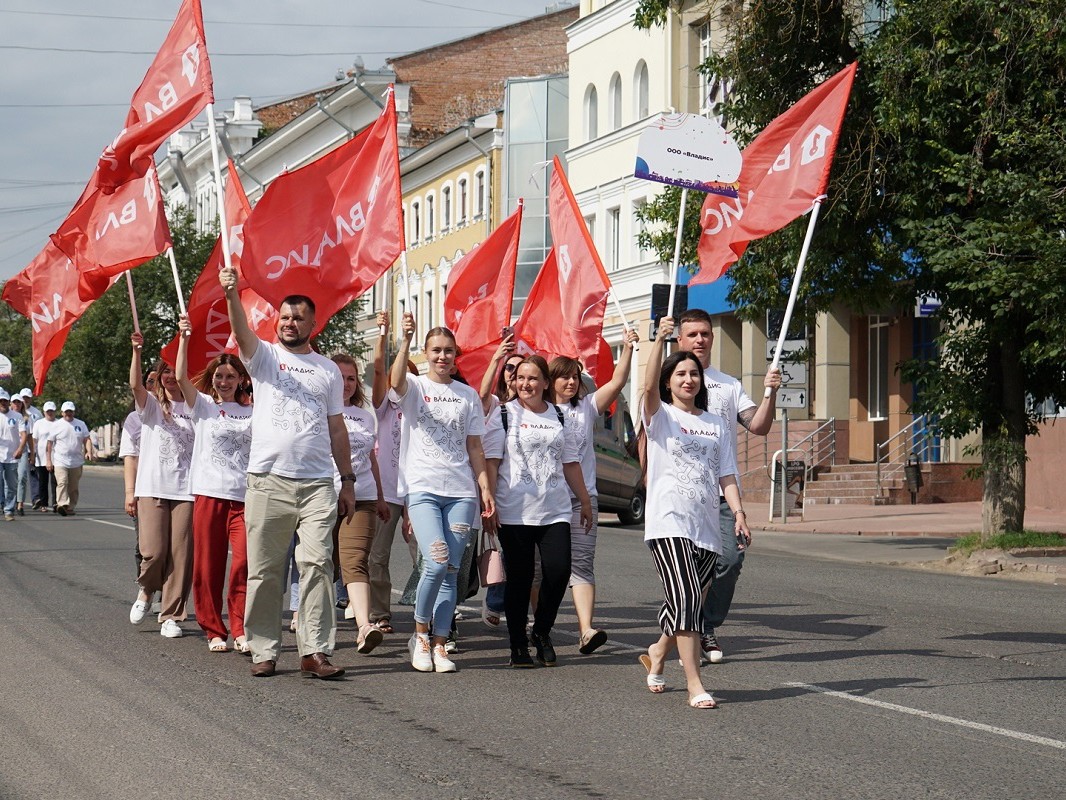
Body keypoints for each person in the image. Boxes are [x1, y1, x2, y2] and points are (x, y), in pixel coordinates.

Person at [220, 265, 354, 680]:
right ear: (276, 322)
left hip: (317, 483)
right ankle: (263, 647)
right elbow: (242, 334)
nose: (290, 323)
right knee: (265, 567)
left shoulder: (327, 369)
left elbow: (336, 427)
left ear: (313, 324)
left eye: (298, 318)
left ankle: (314, 651)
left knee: (317, 564)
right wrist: (231, 294)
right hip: (268, 479)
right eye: (284, 317)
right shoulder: (264, 357)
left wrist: (347, 479)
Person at [639, 317, 750, 709]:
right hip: (668, 522)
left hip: (705, 526)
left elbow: (726, 474)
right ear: (670, 381)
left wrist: (738, 513)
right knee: (687, 601)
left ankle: (657, 651)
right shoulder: (661, 416)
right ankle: (694, 684)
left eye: (694, 374)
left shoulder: (715, 424)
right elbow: (648, 386)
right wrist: (658, 342)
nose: (689, 379)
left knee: (686, 603)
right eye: (681, 373)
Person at [390, 312, 494, 673]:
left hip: (461, 492)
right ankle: (419, 634)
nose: (442, 357)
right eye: (435, 350)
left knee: (452, 570)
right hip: (423, 489)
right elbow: (395, 380)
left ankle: (440, 642)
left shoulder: (466, 395)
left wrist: (484, 487)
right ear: (425, 352)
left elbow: (475, 447)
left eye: (449, 351)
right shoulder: (416, 388)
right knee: (434, 562)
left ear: (455, 354)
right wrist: (404, 339)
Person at [675, 308, 780, 663]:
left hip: (719, 492)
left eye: (705, 334)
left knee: (730, 560)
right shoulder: (669, 383)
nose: (700, 340)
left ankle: (705, 625)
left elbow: (759, 426)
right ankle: (680, 629)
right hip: (680, 493)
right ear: (680, 339)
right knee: (687, 570)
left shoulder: (728, 385)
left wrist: (769, 394)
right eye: (692, 334)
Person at [485, 354, 593, 668]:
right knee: (519, 579)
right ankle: (518, 645)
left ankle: (542, 631)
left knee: (559, 573)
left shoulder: (559, 415)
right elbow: (492, 461)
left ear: (545, 383)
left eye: (533, 378)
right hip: (514, 510)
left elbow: (570, 462)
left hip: (555, 509)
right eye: (520, 378)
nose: (526, 384)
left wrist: (584, 500)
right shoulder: (504, 414)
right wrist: (488, 499)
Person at [547, 327, 639, 653]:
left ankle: (586, 630)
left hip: (584, 498)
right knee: (543, 567)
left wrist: (627, 348)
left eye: (575, 377)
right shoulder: (538, 412)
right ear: (551, 381)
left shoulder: (586, 407)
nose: (572, 382)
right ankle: (538, 624)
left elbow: (616, 383)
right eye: (565, 377)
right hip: (544, 501)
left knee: (582, 564)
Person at [175, 314, 254, 654]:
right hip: (210, 492)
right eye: (219, 376)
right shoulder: (205, 406)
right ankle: (213, 629)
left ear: (240, 380)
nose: (224, 381)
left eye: (230, 376)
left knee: (245, 562)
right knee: (208, 565)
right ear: (213, 379)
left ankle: (239, 626)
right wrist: (183, 338)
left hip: (246, 496)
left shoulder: (254, 410)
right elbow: (179, 376)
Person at [127, 338, 195, 640]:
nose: (168, 376)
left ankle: (171, 616)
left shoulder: (196, 405)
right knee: (153, 552)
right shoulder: (152, 406)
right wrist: (137, 352)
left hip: (186, 491)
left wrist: (187, 339)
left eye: (172, 371)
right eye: (163, 371)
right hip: (152, 487)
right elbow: (135, 386)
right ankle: (146, 590)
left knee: (180, 556)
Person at [330, 352, 390, 654]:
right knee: (321, 563)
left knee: (355, 560)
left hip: (362, 496)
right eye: (339, 377)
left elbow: (371, 457)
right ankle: (311, 619)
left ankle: (365, 626)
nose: (346, 383)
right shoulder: (318, 409)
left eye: (351, 378)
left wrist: (380, 496)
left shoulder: (366, 416)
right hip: (323, 495)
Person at [477, 338, 525, 627]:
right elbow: (482, 395)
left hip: (517, 487)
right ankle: (452, 610)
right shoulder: (494, 404)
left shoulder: (532, 407)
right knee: (479, 546)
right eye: (509, 368)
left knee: (508, 547)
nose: (513, 373)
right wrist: (496, 358)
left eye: (519, 369)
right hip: (484, 479)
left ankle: (497, 599)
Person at [45, 401, 92, 516]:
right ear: (62, 413)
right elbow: (49, 444)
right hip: (60, 460)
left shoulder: (80, 424)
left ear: (74, 412)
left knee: (73, 486)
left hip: (76, 461)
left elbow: (87, 439)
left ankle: (70, 506)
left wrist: (89, 452)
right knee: (62, 482)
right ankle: (62, 504)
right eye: (66, 412)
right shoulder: (56, 425)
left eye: (70, 411)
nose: (68, 414)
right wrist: (48, 460)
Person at [31, 401, 58, 511]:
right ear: (44, 412)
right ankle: (43, 504)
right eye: (48, 411)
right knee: (43, 482)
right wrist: (32, 454)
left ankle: (56, 503)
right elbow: (34, 440)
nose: (50, 413)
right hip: (41, 457)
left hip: (55, 457)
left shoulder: (59, 423)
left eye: (51, 411)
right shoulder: (39, 423)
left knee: (55, 481)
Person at [0, 390, 22, 520]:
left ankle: (8, 510)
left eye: (5, 401)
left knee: (11, 485)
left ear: (9, 402)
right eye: (1, 401)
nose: (3, 403)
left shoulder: (17, 416)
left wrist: (20, 449)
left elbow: (24, 434)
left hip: (12, 456)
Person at [11, 394, 32, 516]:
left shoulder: (27, 418)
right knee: (8, 478)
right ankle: (9, 501)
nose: (17, 404)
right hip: (9, 451)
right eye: (14, 402)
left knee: (22, 476)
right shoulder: (5, 416)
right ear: (11, 404)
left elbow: (29, 438)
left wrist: (32, 454)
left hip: (23, 450)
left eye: (19, 402)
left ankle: (20, 504)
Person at [20, 389, 42, 506]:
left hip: (32, 448)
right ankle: (16, 500)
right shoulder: (15, 411)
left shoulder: (37, 413)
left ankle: (36, 498)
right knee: (18, 477)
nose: (25, 400)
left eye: (27, 398)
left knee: (33, 474)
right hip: (17, 449)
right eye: (23, 398)